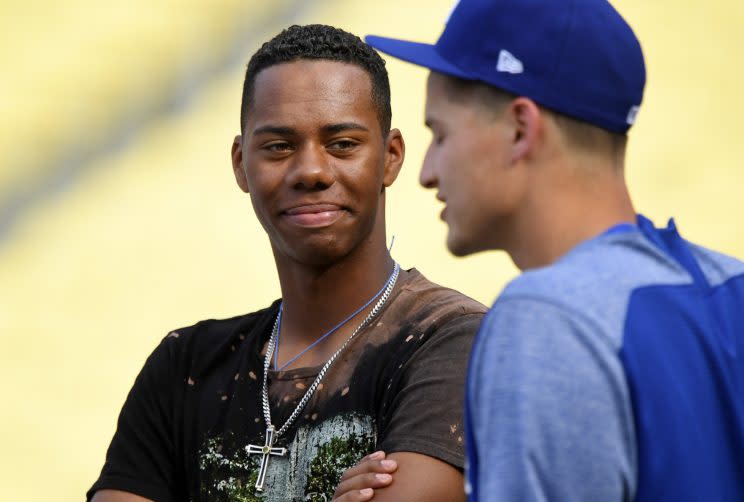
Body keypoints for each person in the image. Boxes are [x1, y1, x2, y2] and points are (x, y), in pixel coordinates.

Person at [87, 24, 486, 502]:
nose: (311, 171)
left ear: (390, 156)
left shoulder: (454, 341)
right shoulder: (184, 365)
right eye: (278, 146)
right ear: (240, 163)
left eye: (342, 144)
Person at [365, 0, 744, 500]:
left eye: (441, 134)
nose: (426, 172)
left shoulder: (545, 317)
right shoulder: (731, 283)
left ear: (521, 128)